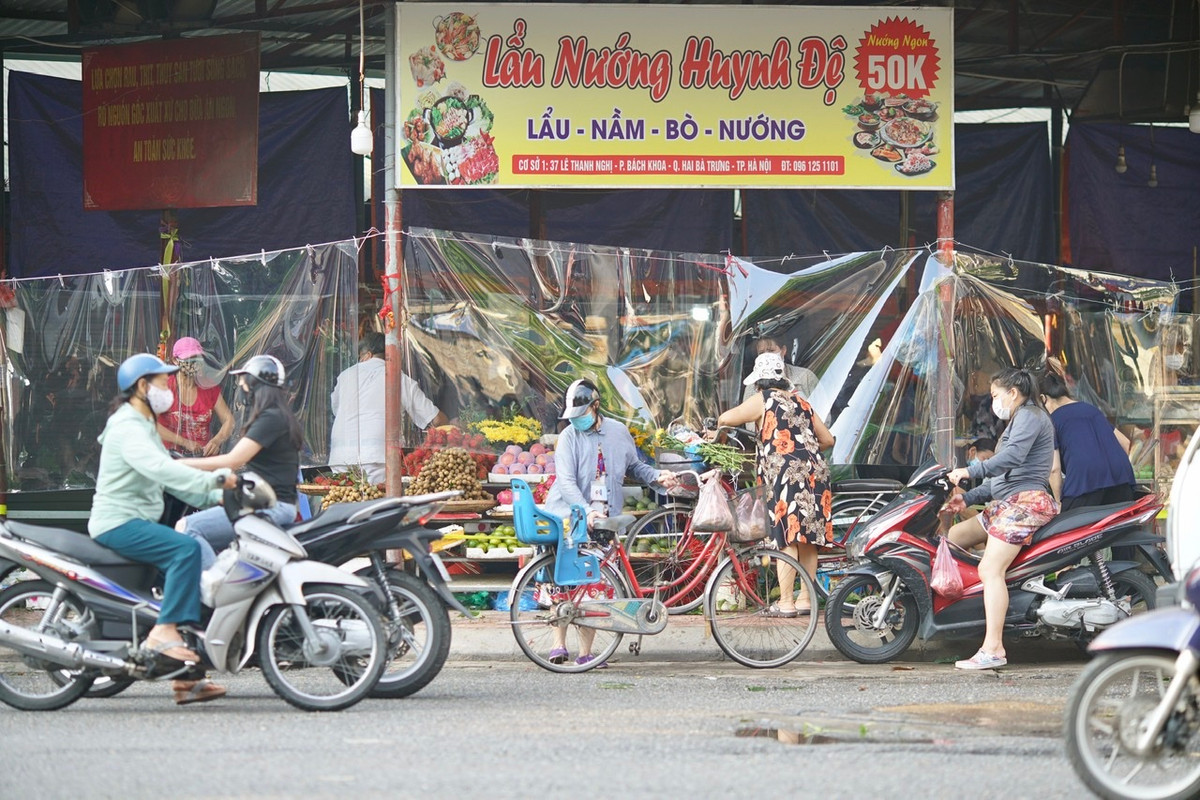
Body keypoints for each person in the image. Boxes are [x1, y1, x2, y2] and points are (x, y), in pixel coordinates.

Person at [89, 353, 237, 705]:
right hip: (119, 523)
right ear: (143, 387)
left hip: (136, 520)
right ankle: (163, 633)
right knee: (185, 549)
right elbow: (163, 470)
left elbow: (171, 481)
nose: (167, 389)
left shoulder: (143, 423)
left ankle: (188, 680)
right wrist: (216, 479)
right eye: (161, 382)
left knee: (182, 584)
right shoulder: (128, 426)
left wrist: (218, 498)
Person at [540, 378, 680, 667]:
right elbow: (566, 482)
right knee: (562, 584)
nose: (576, 420)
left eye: (581, 414)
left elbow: (635, 467)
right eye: (572, 416)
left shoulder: (618, 432)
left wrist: (658, 476)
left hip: (604, 519)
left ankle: (586, 653)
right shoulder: (568, 438)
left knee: (595, 586)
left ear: (596, 406)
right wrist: (585, 511)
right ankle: (558, 645)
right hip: (569, 517)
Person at [944, 367, 1058, 670]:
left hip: (1026, 504)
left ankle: (993, 648)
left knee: (990, 568)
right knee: (952, 539)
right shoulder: (1018, 420)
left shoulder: (1030, 416)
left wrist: (970, 471)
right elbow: (1002, 478)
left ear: (1013, 393)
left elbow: (1010, 459)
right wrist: (967, 498)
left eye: (995, 395)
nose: (994, 401)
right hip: (1007, 502)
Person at [718, 352, 836, 616]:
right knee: (807, 539)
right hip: (816, 473)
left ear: (759, 381)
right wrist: (804, 450)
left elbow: (726, 418)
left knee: (786, 537)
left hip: (786, 474)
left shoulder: (763, 399)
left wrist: (717, 431)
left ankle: (785, 602)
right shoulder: (800, 401)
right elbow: (828, 440)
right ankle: (805, 599)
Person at [177, 355, 304, 569]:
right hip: (264, 501)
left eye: (244, 383)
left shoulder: (270, 418)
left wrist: (181, 465)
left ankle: (214, 582)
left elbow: (233, 460)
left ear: (255, 386)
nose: (241, 388)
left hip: (271, 507)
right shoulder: (277, 416)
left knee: (188, 527)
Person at [329, 331, 448, 483]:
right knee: (376, 497)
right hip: (376, 458)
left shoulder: (345, 376)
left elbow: (336, 410)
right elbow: (436, 420)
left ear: (367, 355)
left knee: (345, 496)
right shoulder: (398, 377)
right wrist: (452, 426)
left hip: (339, 457)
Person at [1039, 372, 1135, 512]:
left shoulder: (1052, 420)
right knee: (1118, 525)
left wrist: (1059, 502)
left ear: (1043, 399)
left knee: (1068, 524)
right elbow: (1125, 443)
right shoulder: (1091, 410)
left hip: (1084, 483)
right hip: (1122, 480)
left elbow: (1054, 469)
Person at [157, 337, 235, 456]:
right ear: (175, 360)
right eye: (189, 359)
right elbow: (149, 422)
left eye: (197, 358)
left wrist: (216, 441)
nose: (193, 363)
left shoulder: (209, 388)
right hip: (168, 456)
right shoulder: (164, 387)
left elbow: (229, 420)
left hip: (201, 457)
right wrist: (184, 442)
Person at [741, 335, 819, 402]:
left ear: (783, 350)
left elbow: (821, 408)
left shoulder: (805, 376)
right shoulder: (751, 387)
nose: (766, 356)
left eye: (771, 351)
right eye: (761, 353)